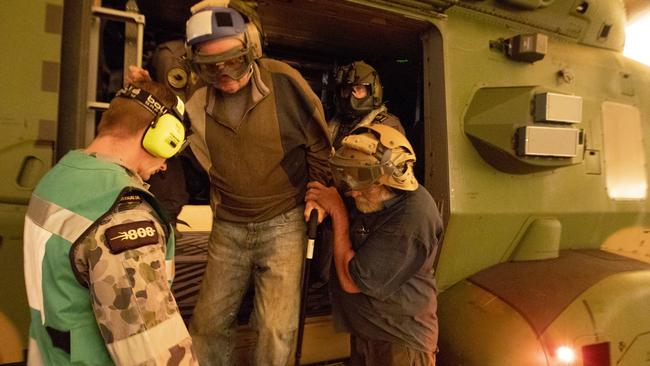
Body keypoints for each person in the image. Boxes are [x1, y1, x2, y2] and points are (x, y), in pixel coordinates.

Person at [128, 3, 332, 365]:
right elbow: (166, 130)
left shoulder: (284, 81)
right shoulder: (194, 96)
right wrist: (143, 94)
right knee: (207, 324)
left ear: (251, 50)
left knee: (275, 328)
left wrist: (319, 191)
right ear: (195, 64)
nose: (223, 74)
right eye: (210, 67)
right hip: (228, 224)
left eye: (233, 61)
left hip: (284, 222)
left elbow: (318, 144)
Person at [23, 81, 197, 365]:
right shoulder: (123, 217)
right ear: (163, 136)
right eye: (172, 147)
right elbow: (152, 350)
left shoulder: (56, 179)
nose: (166, 164)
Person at [305, 124, 442, 366]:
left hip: (399, 344)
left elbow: (351, 281)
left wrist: (337, 212)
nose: (353, 194)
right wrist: (321, 202)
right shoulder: (371, 193)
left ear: (389, 182)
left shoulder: (413, 218)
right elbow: (335, 195)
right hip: (369, 333)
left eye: (362, 188)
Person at [329, 61, 405, 149]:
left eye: (358, 88)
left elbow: (396, 160)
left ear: (374, 91)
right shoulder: (336, 122)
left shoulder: (387, 125)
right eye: (346, 89)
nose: (350, 96)